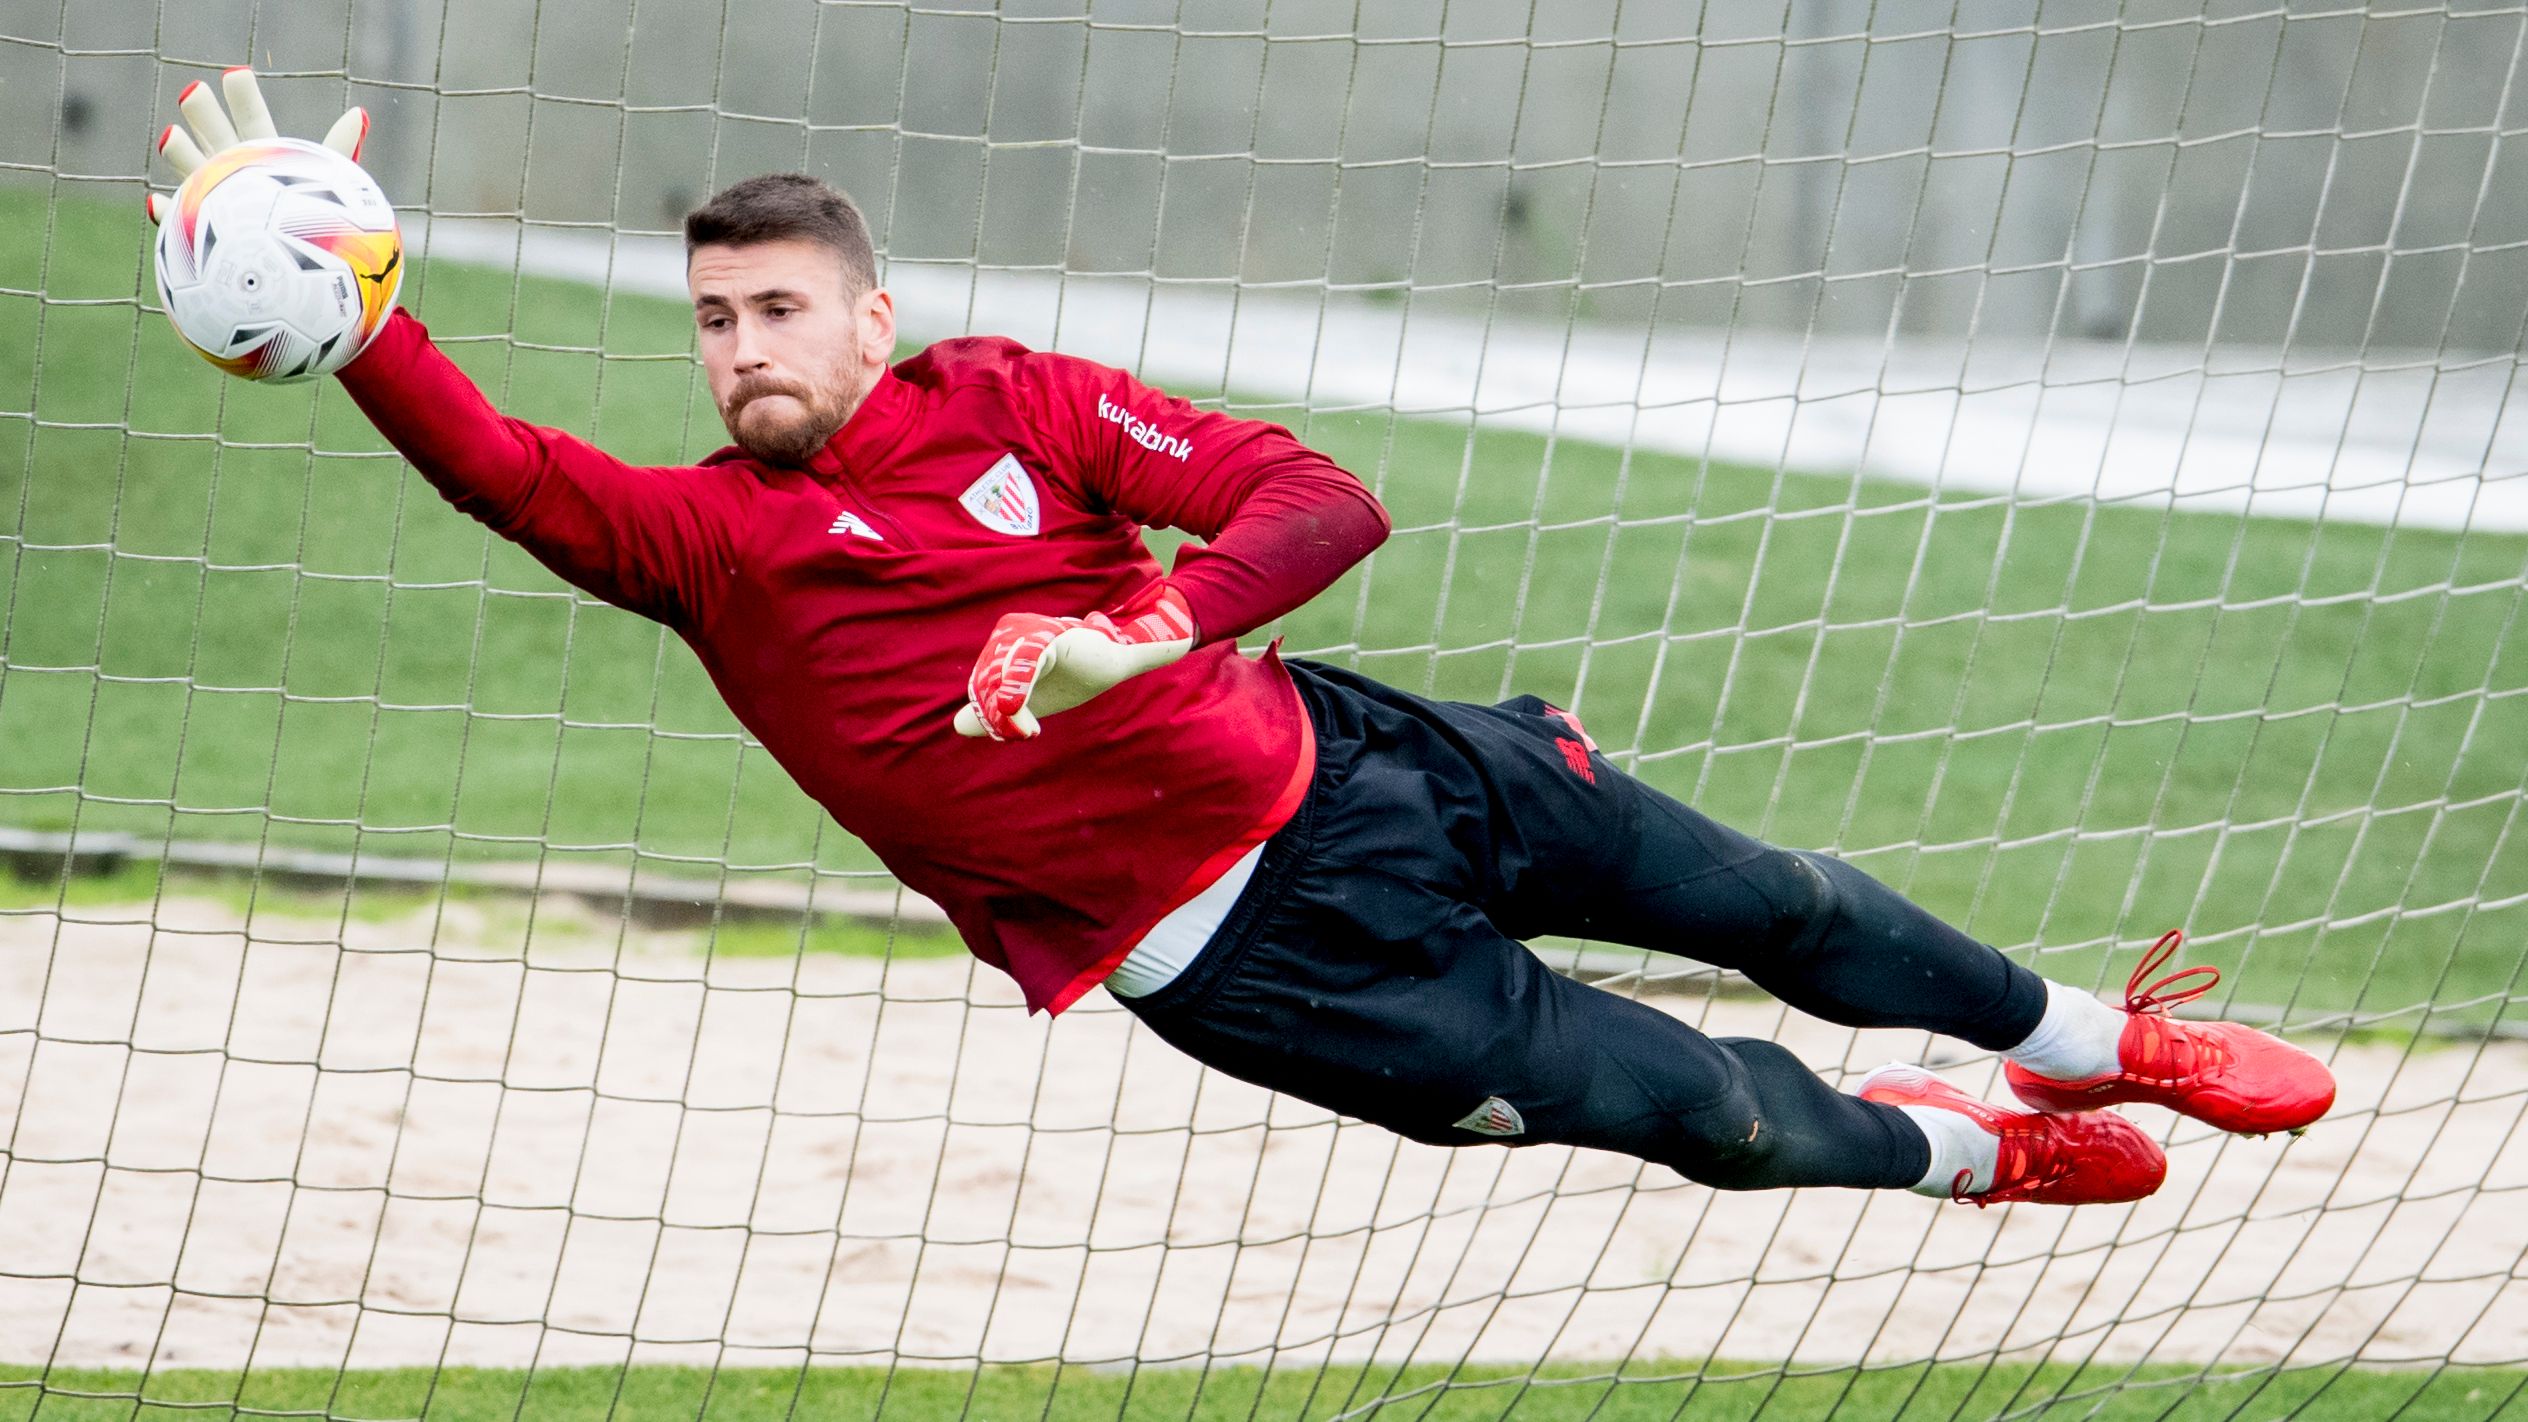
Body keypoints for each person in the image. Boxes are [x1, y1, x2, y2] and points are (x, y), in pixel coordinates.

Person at [146, 72, 2334, 1209]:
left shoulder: (1004, 399)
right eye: (713, 322)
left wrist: (1158, 625)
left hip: (1371, 762)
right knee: (1712, 1119)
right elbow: (508, 473)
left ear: (870, 313)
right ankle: (1975, 1152)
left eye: (780, 309)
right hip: (1264, 968)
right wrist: (359, 316)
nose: (742, 350)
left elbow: (1321, 495)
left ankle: (2084, 1041)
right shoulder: (711, 547)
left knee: (1770, 897)